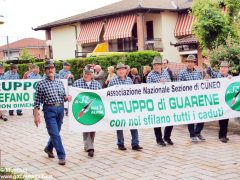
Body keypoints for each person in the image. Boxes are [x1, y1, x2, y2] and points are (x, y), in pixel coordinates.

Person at [33, 60, 72, 166]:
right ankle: (61, 156)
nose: (50, 70)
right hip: (49, 110)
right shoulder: (41, 84)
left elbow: (63, 96)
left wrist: (66, 97)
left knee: (56, 132)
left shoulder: (59, 82)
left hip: (60, 109)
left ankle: (48, 148)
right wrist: (36, 115)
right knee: (54, 133)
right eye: (47, 68)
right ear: (45, 71)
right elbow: (37, 102)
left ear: (54, 69)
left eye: (51, 68)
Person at [108, 63, 143, 151]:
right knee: (119, 125)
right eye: (119, 70)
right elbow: (108, 92)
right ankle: (120, 144)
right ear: (117, 71)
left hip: (128, 106)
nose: (121, 71)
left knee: (133, 124)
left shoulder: (129, 80)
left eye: (122, 69)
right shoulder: (113, 81)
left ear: (126, 70)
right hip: (118, 106)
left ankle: (135, 144)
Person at [73, 65, 102, 157]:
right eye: (85, 73)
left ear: (92, 75)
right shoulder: (77, 83)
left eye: (88, 73)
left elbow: (101, 97)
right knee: (85, 128)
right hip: (82, 109)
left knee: (92, 129)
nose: (86, 75)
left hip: (93, 110)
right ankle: (90, 147)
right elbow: (74, 96)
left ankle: (89, 145)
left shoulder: (97, 84)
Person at [178, 54, 205, 143]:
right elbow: (179, 86)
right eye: (188, 62)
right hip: (188, 98)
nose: (190, 63)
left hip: (198, 98)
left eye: (191, 62)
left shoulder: (198, 72)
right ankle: (192, 135)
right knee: (190, 117)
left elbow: (201, 84)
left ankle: (197, 132)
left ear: (194, 63)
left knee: (202, 116)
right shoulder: (182, 73)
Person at [146, 57, 173, 146]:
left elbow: (170, 83)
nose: (156, 66)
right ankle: (159, 140)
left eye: (158, 64)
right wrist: (158, 85)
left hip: (166, 99)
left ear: (161, 65)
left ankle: (167, 137)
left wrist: (166, 83)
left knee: (171, 119)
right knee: (157, 121)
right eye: (154, 65)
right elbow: (149, 90)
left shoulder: (165, 72)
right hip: (156, 101)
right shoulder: (150, 75)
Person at [205, 60, 231, 143]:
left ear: (228, 69)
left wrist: (231, 79)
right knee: (222, 119)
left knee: (226, 119)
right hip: (219, 101)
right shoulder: (217, 75)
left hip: (227, 101)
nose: (223, 69)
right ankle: (221, 136)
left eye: (225, 67)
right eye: (221, 67)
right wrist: (208, 65)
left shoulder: (230, 77)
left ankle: (225, 135)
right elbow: (210, 71)